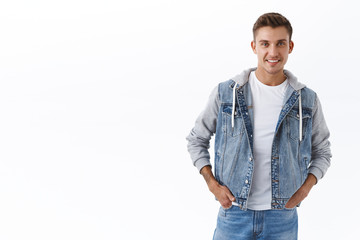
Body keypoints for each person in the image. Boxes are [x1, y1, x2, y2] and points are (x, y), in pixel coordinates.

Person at [186, 12, 331, 240]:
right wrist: (212, 184)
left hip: (282, 217)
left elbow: (322, 151)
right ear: (254, 46)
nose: (272, 52)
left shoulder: (307, 100)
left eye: (280, 44)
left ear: (290, 46)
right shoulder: (226, 93)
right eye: (265, 44)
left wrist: (304, 190)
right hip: (233, 214)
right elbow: (196, 139)